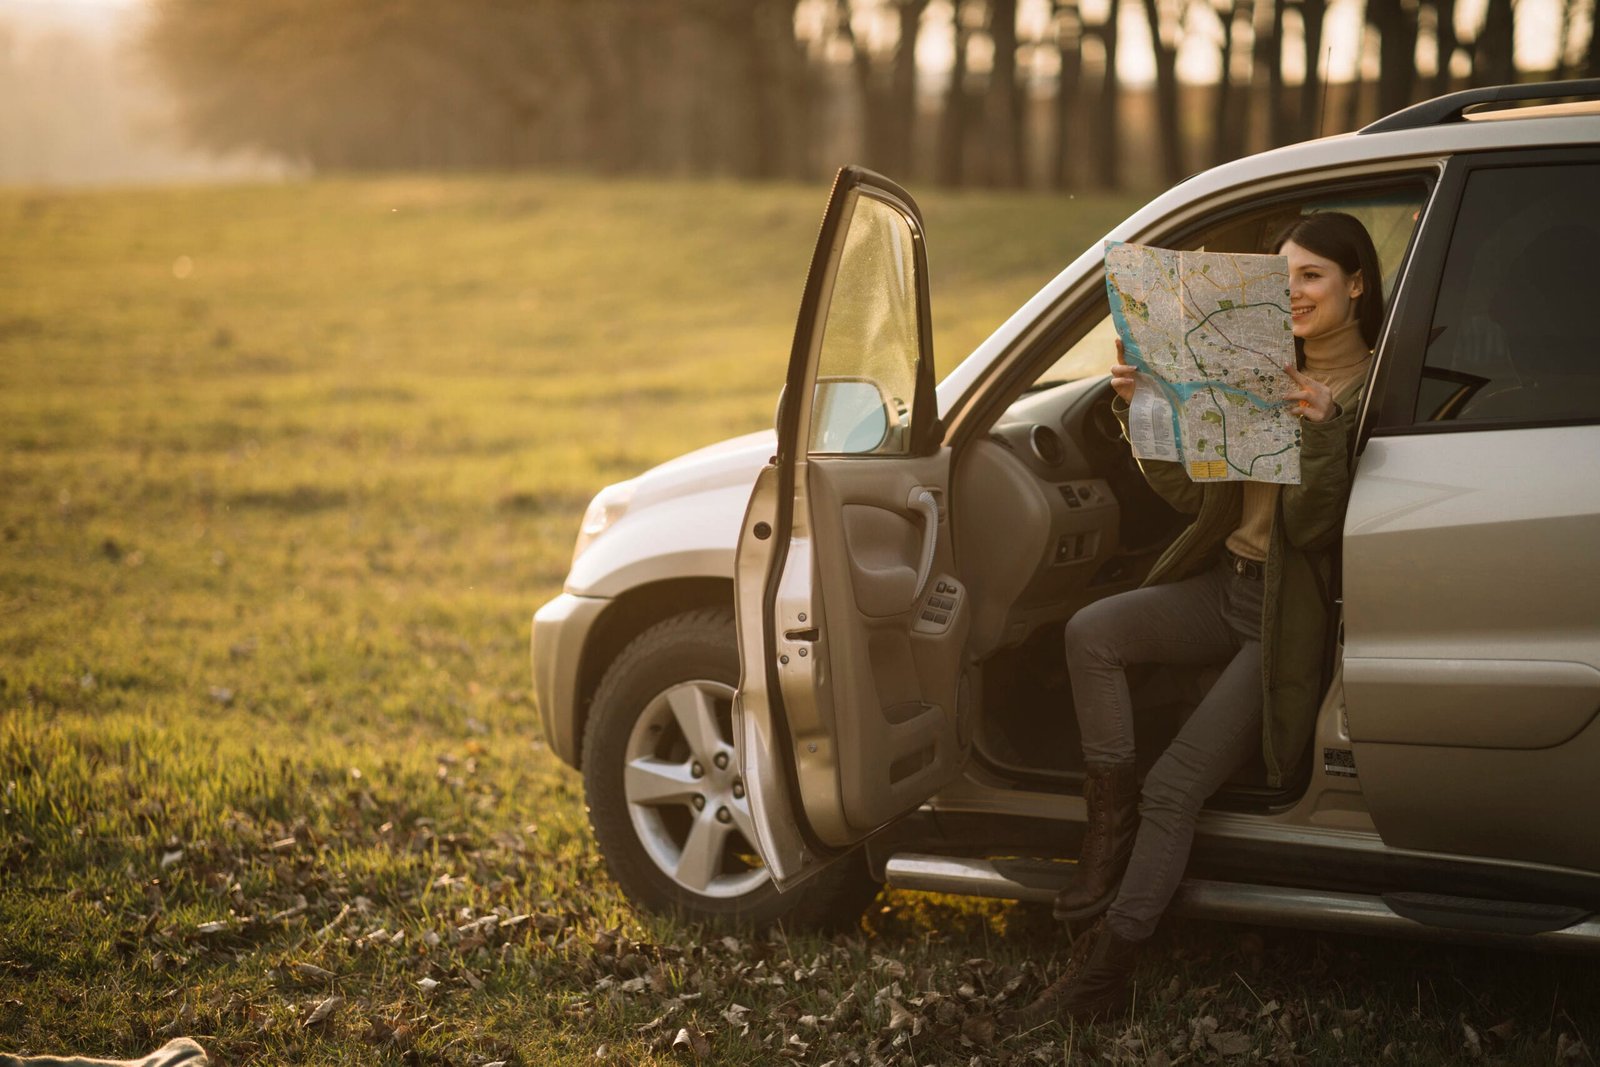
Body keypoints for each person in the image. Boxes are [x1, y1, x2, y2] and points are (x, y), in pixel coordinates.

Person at [1019, 212, 1385, 1023]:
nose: (1293, 293)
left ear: (1356, 284)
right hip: (1227, 588)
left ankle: (1104, 970)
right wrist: (1144, 413)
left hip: (1283, 622)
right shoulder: (1256, 366)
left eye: (1312, 276)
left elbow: (1318, 529)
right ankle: (1106, 834)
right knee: (1093, 632)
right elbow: (1200, 499)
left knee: (1176, 785)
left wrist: (1322, 429)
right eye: (1280, 278)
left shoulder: (1363, 393)